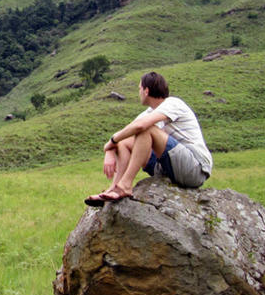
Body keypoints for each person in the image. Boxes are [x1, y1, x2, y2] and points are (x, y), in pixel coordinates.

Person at [84, 71, 212, 206]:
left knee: (146, 129)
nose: (138, 93)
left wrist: (111, 142)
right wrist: (110, 149)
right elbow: (124, 133)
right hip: (168, 168)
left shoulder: (173, 103)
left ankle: (126, 185)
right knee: (124, 142)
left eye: (139, 89)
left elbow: (140, 126)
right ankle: (114, 189)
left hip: (194, 169)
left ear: (146, 90)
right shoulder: (150, 113)